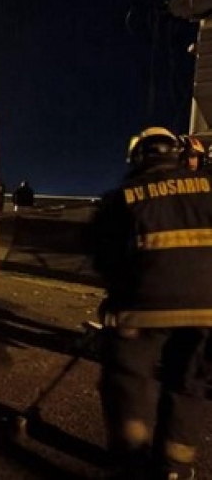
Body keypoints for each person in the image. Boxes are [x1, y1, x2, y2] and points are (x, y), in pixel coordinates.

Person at [86, 126, 212, 480]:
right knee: (187, 387)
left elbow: (102, 258)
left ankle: (131, 461)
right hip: (208, 311)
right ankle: (174, 470)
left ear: (138, 158)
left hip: (140, 308)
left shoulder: (121, 198)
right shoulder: (208, 186)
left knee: (127, 380)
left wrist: (116, 297)